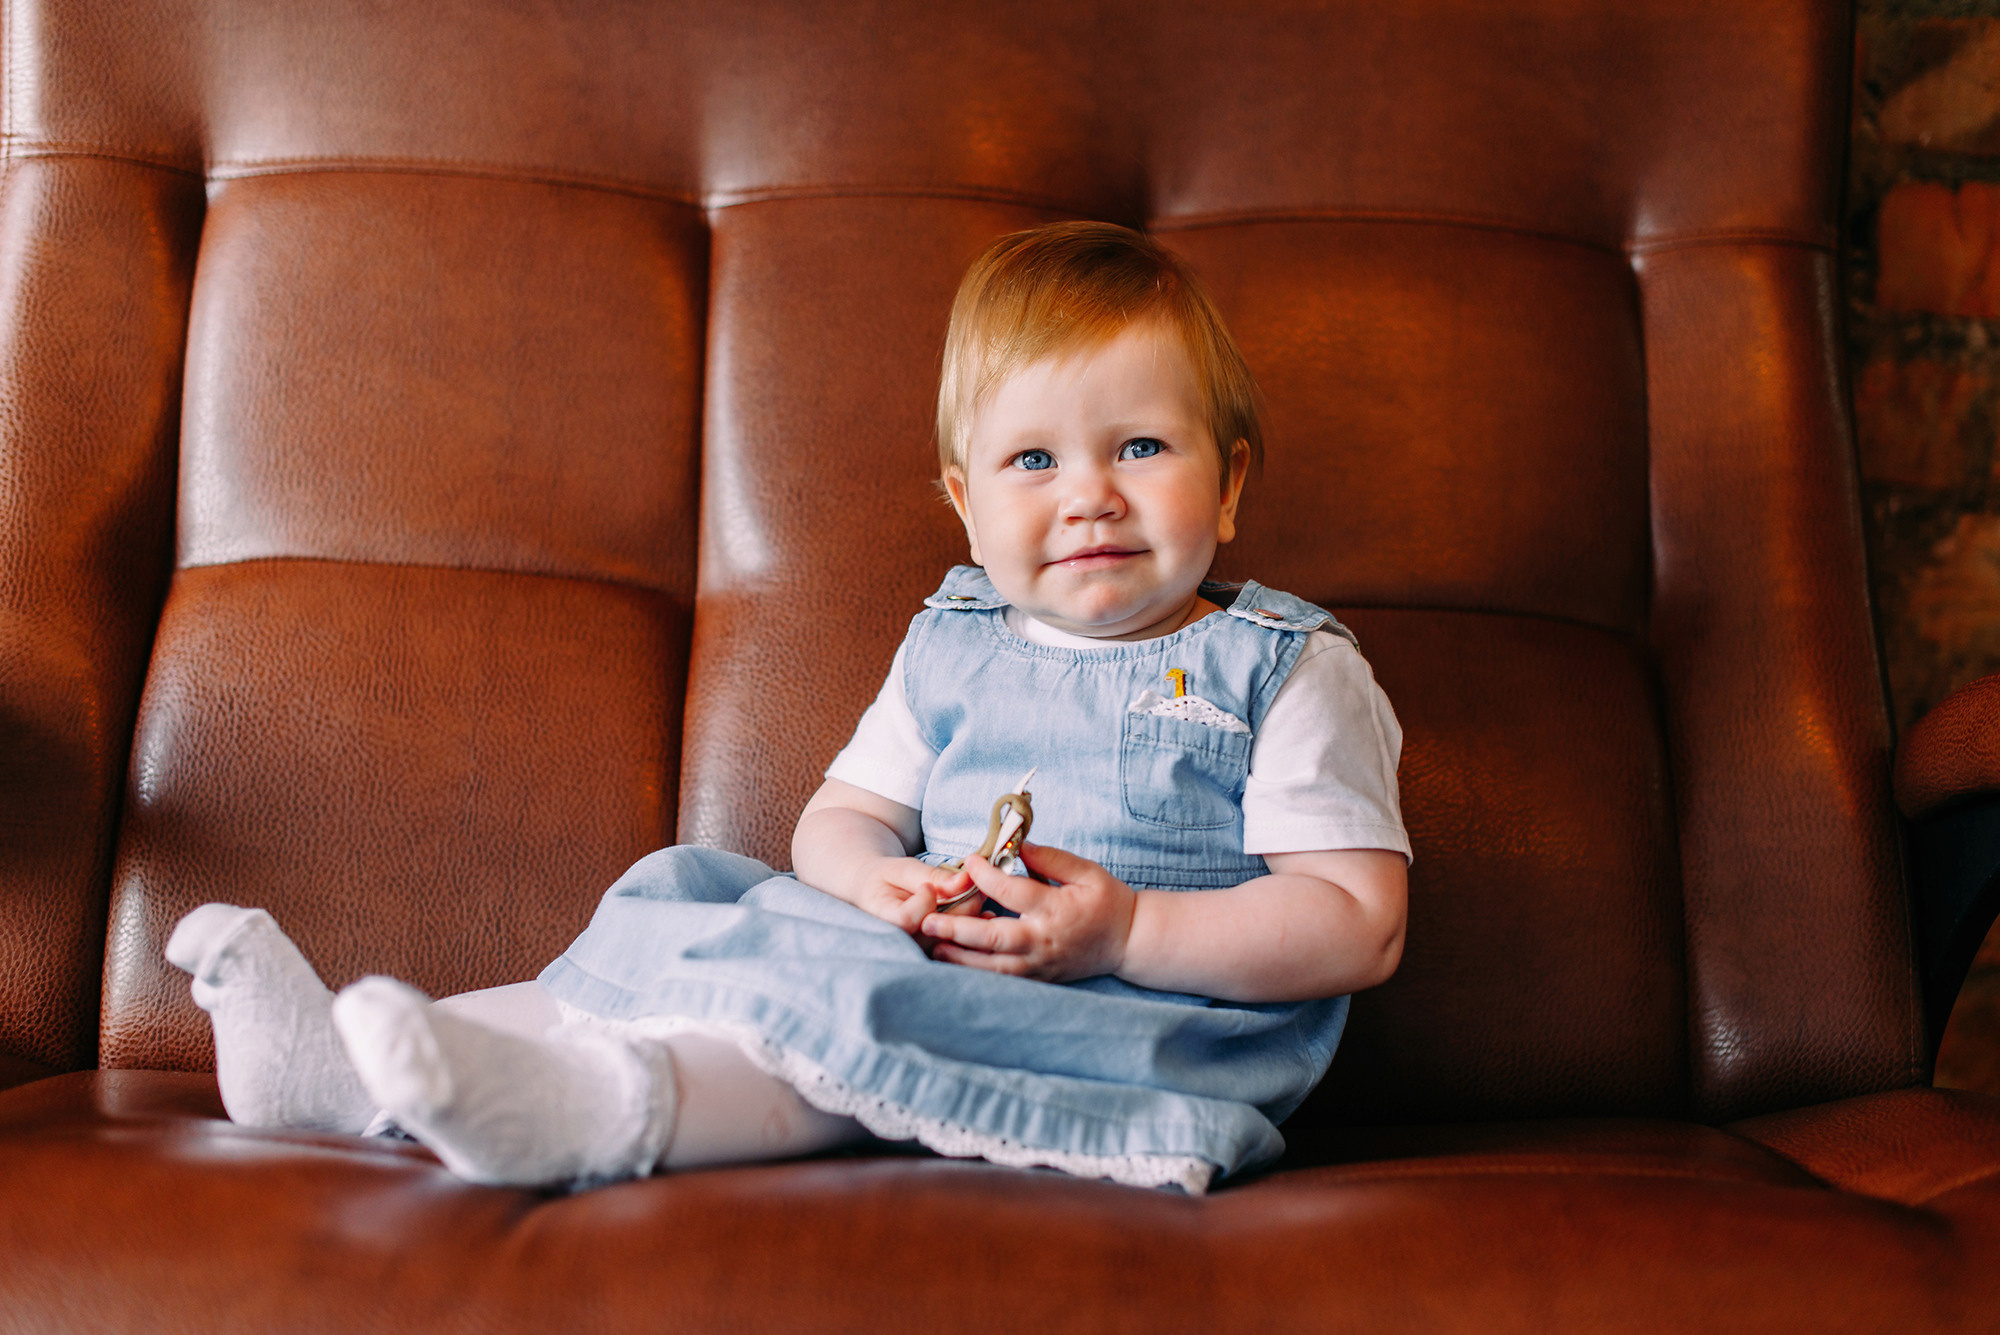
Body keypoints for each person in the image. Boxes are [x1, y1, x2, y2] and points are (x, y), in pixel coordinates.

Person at [166, 221, 1410, 1195]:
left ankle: (597, 1117)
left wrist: (1127, 933)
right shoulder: (951, 642)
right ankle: (358, 1070)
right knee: (701, 900)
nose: (1087, 495)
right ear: (966, 506)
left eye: (1139, 447)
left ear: (1228, 480)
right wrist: (876, 885)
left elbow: (1355, 924)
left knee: (837, 1011)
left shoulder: (1282, 669)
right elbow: (842, 820)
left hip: (1125, 1022)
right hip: (920, 949)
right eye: (1032, 461)